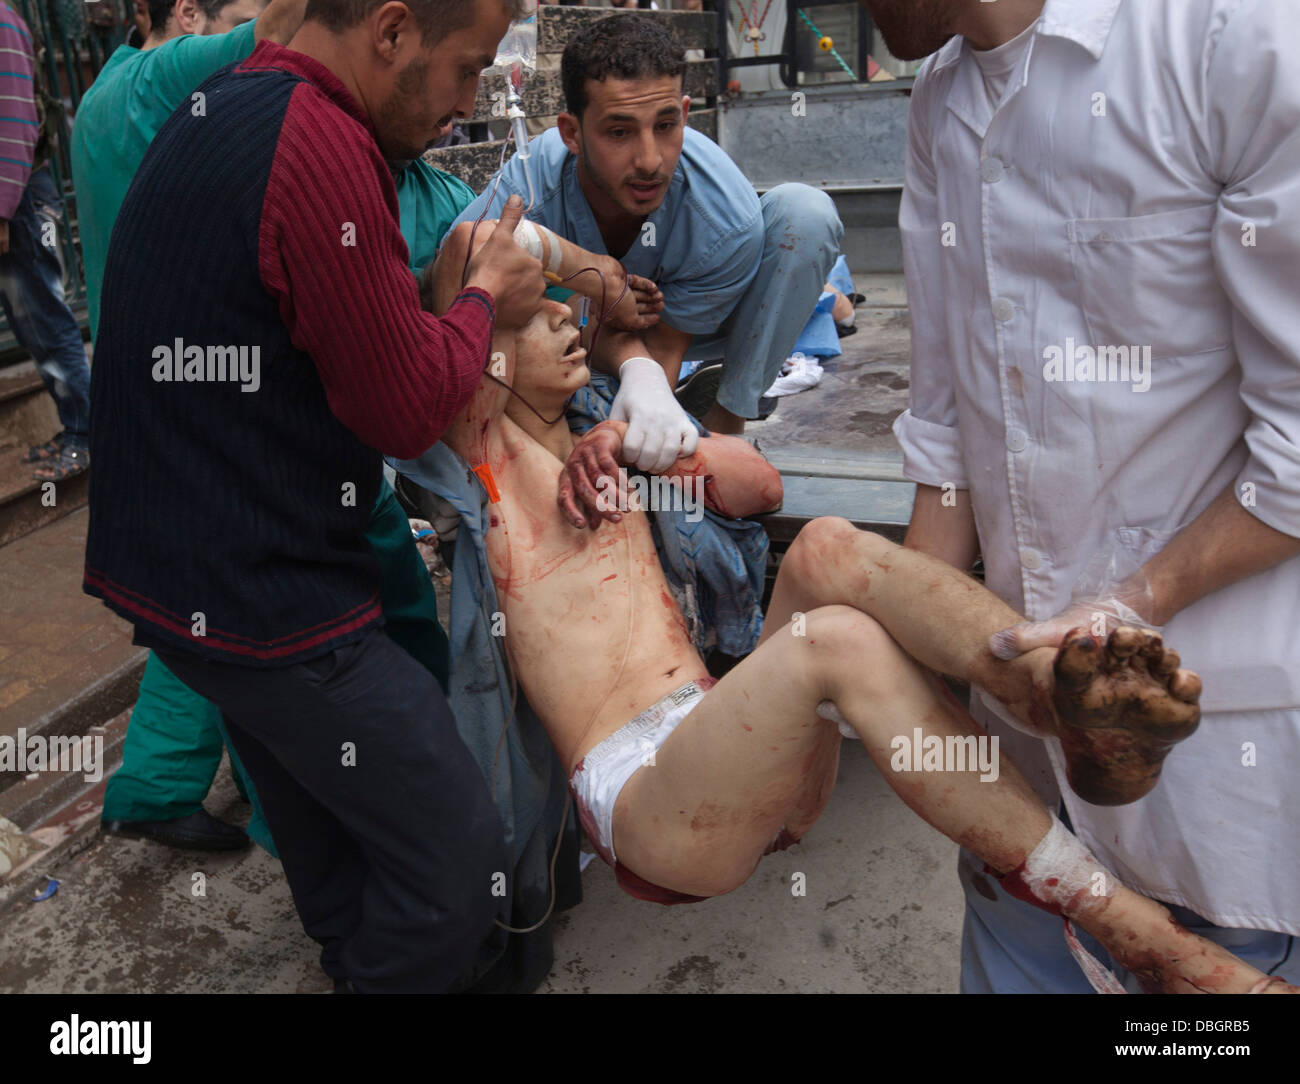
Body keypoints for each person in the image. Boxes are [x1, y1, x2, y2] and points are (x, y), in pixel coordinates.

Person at [400, 248, 1293, 994]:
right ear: (485, 356)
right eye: (536, 317)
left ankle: (1044, 692)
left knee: (825, 544)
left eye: (568, 310)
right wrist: (582, 267)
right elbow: (474, 253)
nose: (568, 322)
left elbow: (762, 492)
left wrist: (650, 424)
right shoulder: (487, 460)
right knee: (836, 641)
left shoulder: (607, 432)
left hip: (722, 730)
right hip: (647, 801)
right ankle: (1138, 931)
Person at [82, 0, 543, 992]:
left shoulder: (231, 103)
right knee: (460, 867)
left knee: (329, 830)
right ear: (390, 33)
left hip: (191, 583)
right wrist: (477, 303)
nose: (466, 105)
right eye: (465, 70)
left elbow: (311, 337)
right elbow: (407, 409)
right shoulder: (321, 139)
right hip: (268, 596)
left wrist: (433, 308)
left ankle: (351, 954)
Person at [860, 0, 1300, 990]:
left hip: (1222, 789)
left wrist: (1140, 599)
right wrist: (903, 666)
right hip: (1023, 803)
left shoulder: (1231, 36)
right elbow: (946, 433)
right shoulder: (940, 98)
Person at [456, 11, 843, 464]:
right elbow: (459, 256)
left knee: (807, 215)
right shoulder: (531, 184)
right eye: (618, 132)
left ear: (683, 114)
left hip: (690, 327)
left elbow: (661, 354)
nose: (650, 161)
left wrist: (645, 403)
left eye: (665, 125)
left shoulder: (724, 216)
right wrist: (592, 273)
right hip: (571, 325)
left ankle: (726, 420)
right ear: (571, 134)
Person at [1, 1, 91, 483]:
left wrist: (1, 209)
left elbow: (14, 123)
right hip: (17, 199)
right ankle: (76, 426)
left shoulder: (0, 21)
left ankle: (87, 434)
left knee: (47, 322)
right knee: (33, 324)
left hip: (20, 201)